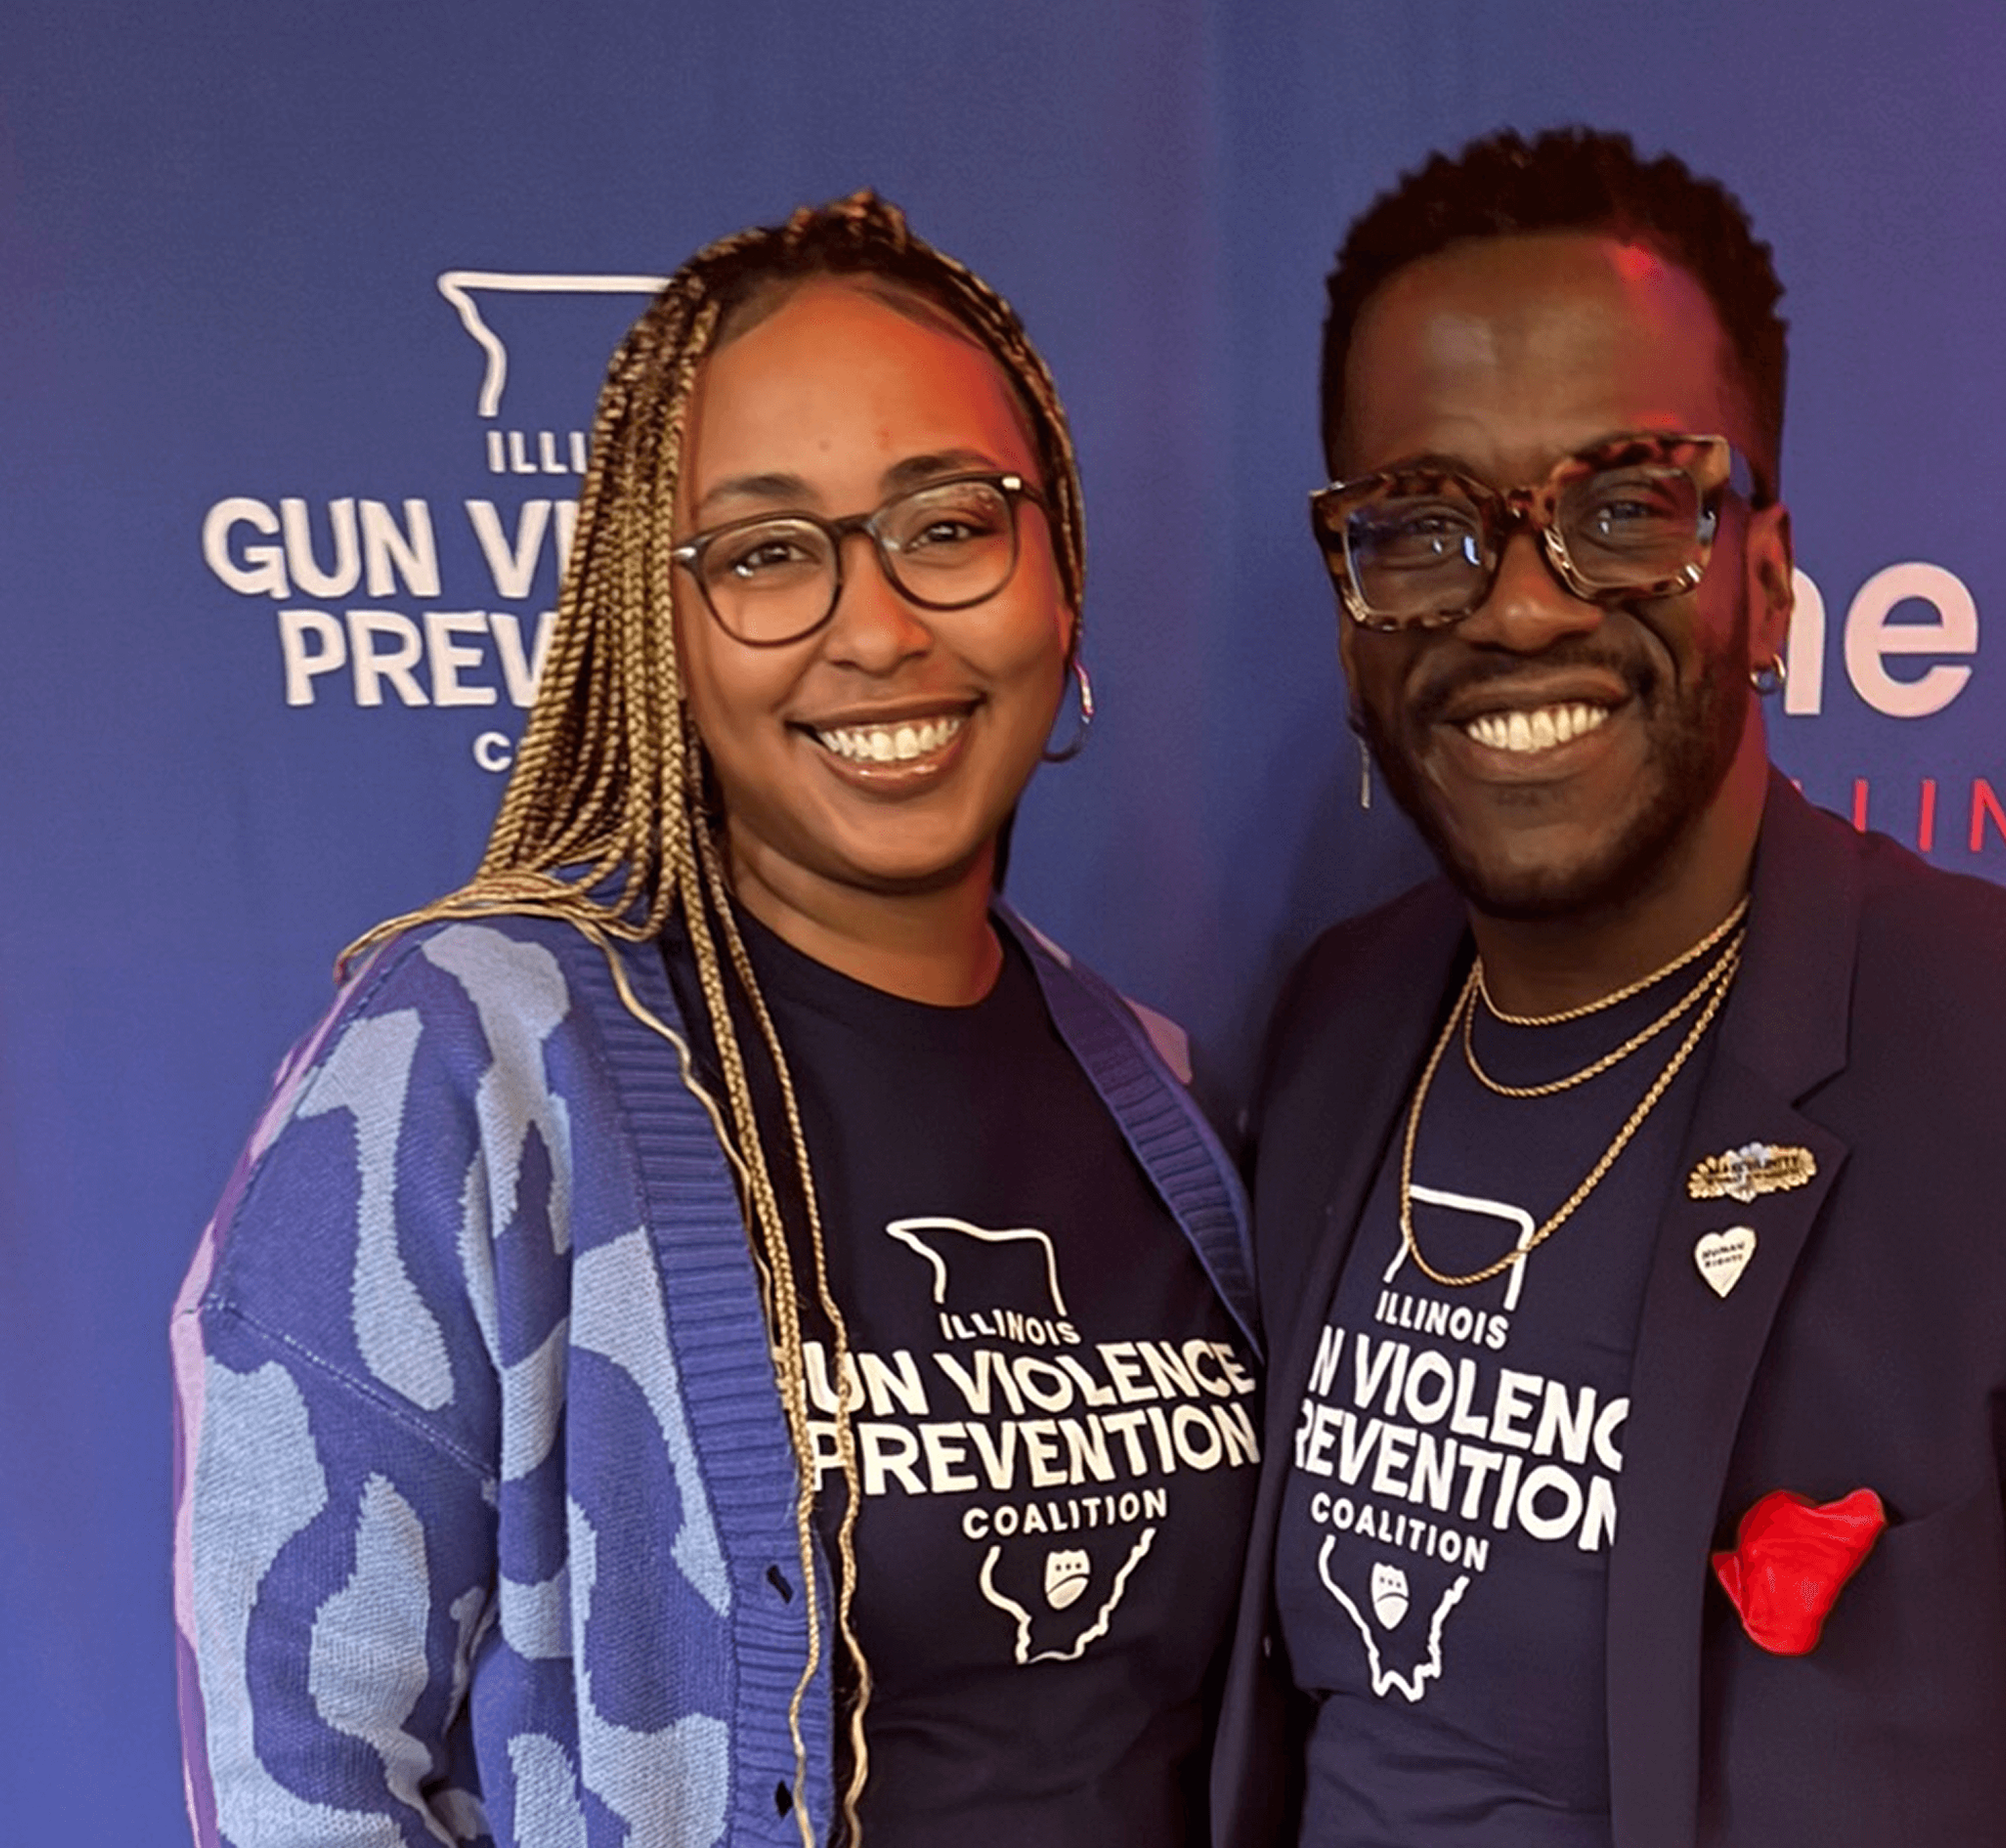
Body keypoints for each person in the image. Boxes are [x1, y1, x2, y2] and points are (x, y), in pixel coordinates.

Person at [1211, 127, 2006, 1847]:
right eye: (1425, 528)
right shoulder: (1336, 1027)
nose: (1526, 608)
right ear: (1351, 615)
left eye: (1623, 512)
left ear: (1764, 582)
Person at [173, 194, 1260, 1848]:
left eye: (951, 525)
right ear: (657, 633)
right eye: (765, 553)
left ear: (1063, 578)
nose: (879, 625)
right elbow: (300, 1770)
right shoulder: (474, 1066)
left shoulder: (1162, 1092)